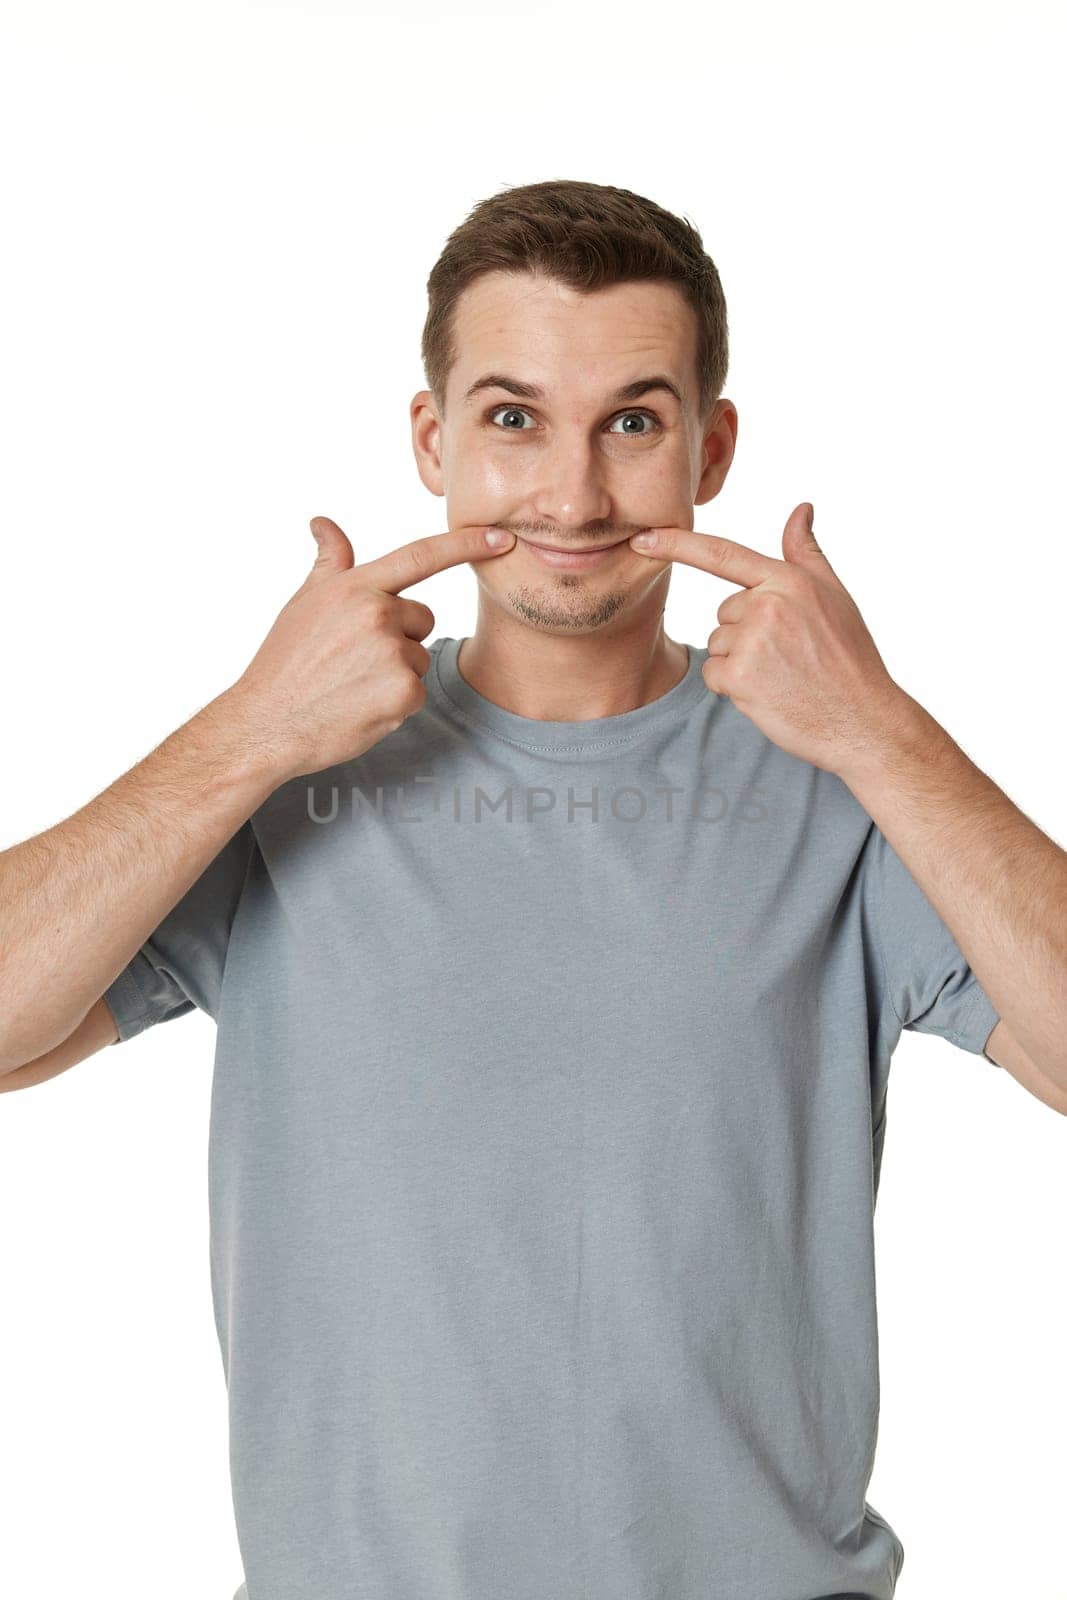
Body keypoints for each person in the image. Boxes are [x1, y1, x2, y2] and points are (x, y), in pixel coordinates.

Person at [3, 178, 1065, 1600]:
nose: (573, 494)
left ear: (711, 444)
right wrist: (252, 732)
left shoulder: (847, 791)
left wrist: (881, 730)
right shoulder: (289, 777)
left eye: (633, 420)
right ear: (435, 439)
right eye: (513, 419)